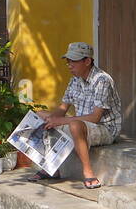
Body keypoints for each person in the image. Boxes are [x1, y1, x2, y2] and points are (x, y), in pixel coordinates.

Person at [38, 42, 121, 189]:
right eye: (68, 61)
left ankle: (88, 172)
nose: (70, 65)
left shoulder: (102, 80)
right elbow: (63, 108)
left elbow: (95, 118)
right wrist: (51, 118)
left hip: (104, 128)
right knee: (40, 114)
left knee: (74, 125)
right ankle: (51, 169)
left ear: (87, 61)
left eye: (74, 61)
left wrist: (61, 120)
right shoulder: (74, 80)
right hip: (80, 125)